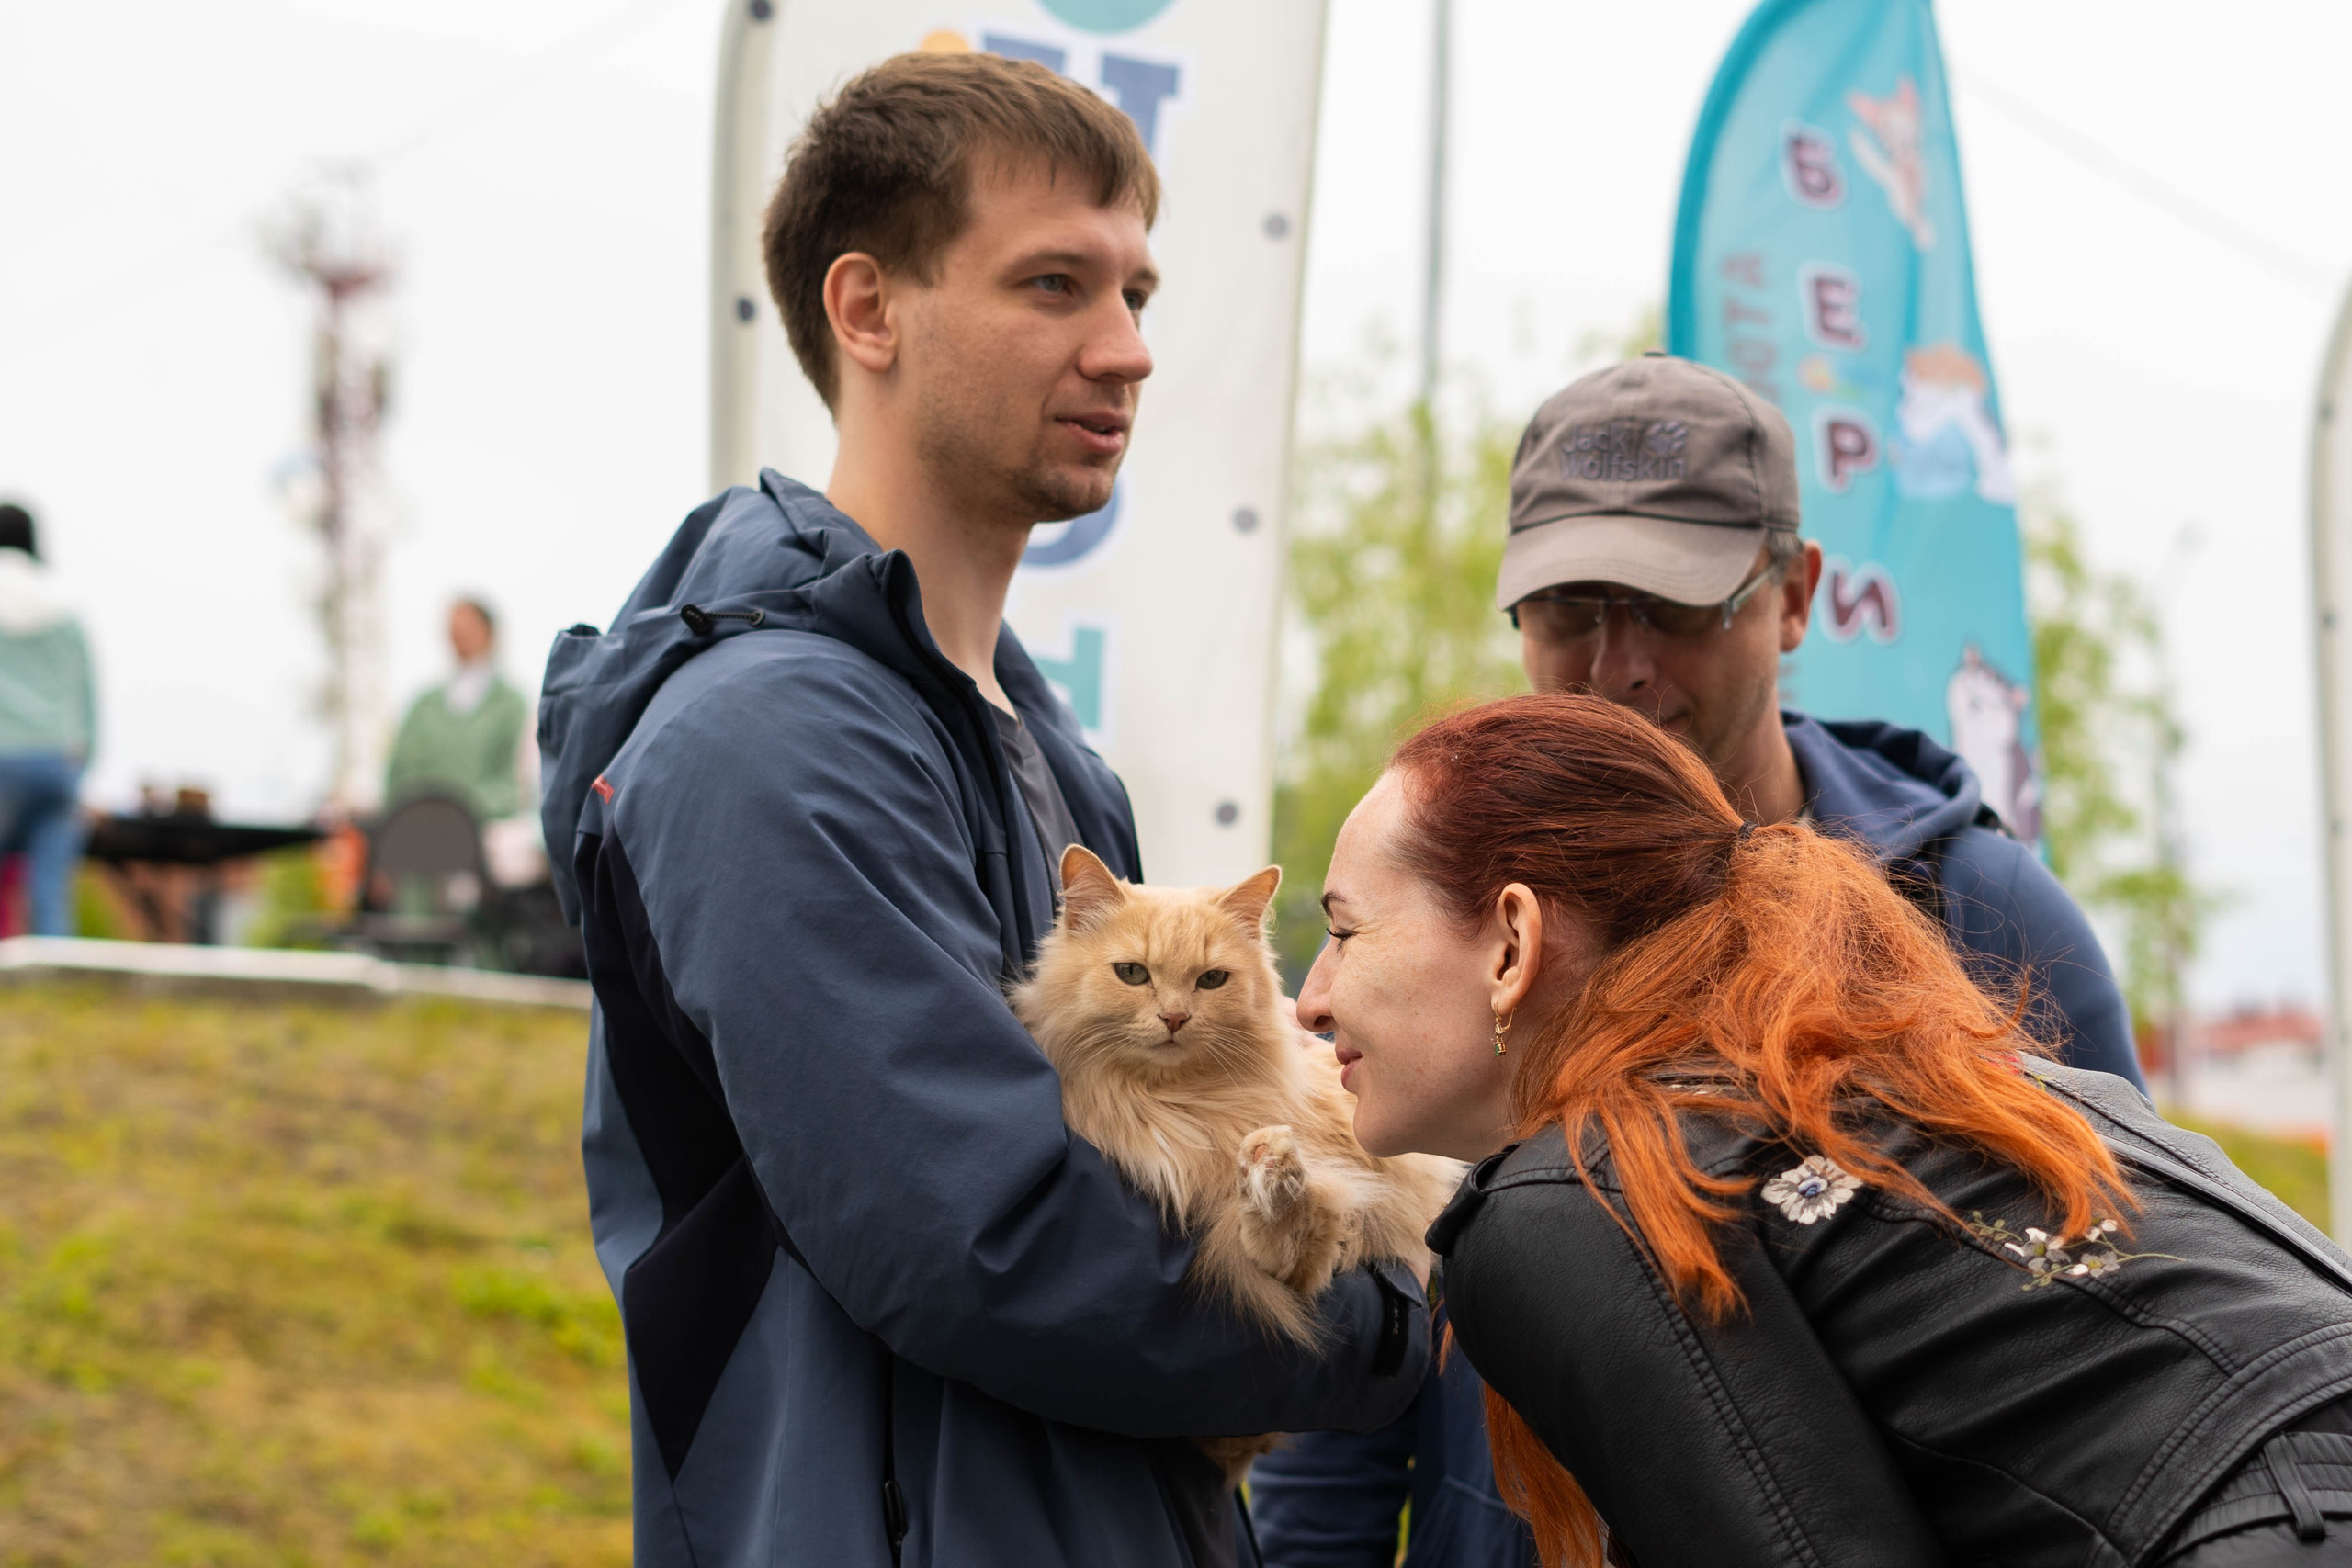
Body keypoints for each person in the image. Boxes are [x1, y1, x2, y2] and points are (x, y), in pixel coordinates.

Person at [534, 52, 1428, 1568]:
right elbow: (999, 1243)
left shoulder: (1051, 755)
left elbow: (1180, 1154)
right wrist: (1396, 1309)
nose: (1127, 349)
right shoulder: (769, 741)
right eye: (1054, 287)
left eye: (1137, 292)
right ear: (868, 309)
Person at [1250, 352, 2143, 1568]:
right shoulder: (1427, 911)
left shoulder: (1986, 922)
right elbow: (1349, 1349)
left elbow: (2107, 1360)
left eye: (1672, 603)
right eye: (1569, 609)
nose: (1616, 662)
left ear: (1795, 594)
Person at [1306, 692, 2352, 1566]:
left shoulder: (1569, 1193)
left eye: (1343, 932)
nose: (1310, 998)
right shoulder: (1872, 1077)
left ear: (1510, 946)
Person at [0, 502, 96, 936]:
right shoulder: (64, 606)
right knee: (51, 893)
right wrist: (82, 762)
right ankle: (59, 986)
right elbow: (86, 695)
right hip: (57, 759)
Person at [385, 597, 529, 823]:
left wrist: (462, 807)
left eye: (467, 630)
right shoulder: (425, 705)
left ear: (489, 634)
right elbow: (399, 774)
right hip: (421, 825)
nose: (459, 638)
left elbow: (513, 782)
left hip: (486, 828)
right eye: (454, 631)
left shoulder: (510, 704)